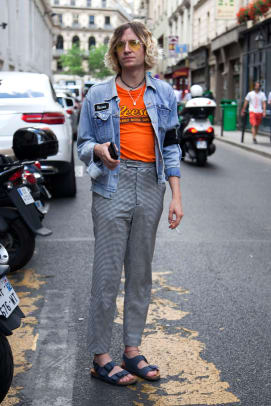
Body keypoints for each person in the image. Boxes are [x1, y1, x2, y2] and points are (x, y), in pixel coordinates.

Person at [77, 21, 183, 386]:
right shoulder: (97, 94)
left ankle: (132, 350)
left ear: (145, 48)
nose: (127, 48)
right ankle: (100, 356)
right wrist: (98, 150)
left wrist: (176, 196)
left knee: (140, 273)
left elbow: (170, 146)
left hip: (151, 186)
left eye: (134, 42)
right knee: (107, 275)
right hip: (111, 184)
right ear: (114, 51)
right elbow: (82, 144)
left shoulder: (165, 94)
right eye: (120, 43)